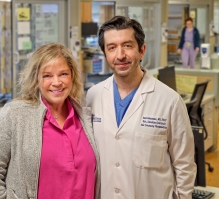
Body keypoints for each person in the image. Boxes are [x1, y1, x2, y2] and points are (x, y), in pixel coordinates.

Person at [86, 16, 196, 199]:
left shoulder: (170, 101)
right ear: (105, 54)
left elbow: (184, 164)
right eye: (112, 47)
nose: (120, 55)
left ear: (142, 50)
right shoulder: (92, 96)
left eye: (127, 45)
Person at [0, 43, 101, 199]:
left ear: (72, 76)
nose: (56, 82)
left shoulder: (85, 118)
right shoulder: (15, 115)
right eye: (47, 75)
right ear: (36, 79)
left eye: (63, 74)